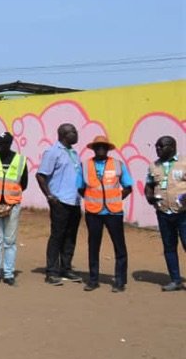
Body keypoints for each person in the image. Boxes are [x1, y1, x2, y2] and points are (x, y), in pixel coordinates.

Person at [78, 136, 132, 292]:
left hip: (113, 212)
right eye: (98, 146)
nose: (100, 149)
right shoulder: (85, 165)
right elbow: (80, 187)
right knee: (93, 246)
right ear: (93, 148)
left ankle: (120, 280)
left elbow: (128, 186)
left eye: (103, 146)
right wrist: (92, 199)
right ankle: (93, 280)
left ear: (108, 149)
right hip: (93, 212)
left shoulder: (118, 164)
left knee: (119, 246)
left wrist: (114, 199)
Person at [36, 123, 83, 286]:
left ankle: (66, 268)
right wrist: (50, 196)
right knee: (57, 236)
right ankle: (52, 271)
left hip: (75, 201)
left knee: (71, 237)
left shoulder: (74, 153)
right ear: (64, 134)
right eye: (73, 131)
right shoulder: (53, 152)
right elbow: (40, 175)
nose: (76, 134)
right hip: (60, 202)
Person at [0, 133, 28, 286]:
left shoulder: (20, 160)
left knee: (10, 241)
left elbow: (24, 183)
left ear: (8, 144)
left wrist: (10, 197)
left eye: (1, 144)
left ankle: (8, 274)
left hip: (12, 206)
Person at [145, 136, 186, 291]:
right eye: (156, 146)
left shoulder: (183, 163)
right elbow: (149, 184)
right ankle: (175, 280)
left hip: (183, 213)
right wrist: (150, 198)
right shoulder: (153, 166)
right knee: (169, 247)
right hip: (163, 213)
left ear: (172, 147)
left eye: (161, 146)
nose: (158, 149)